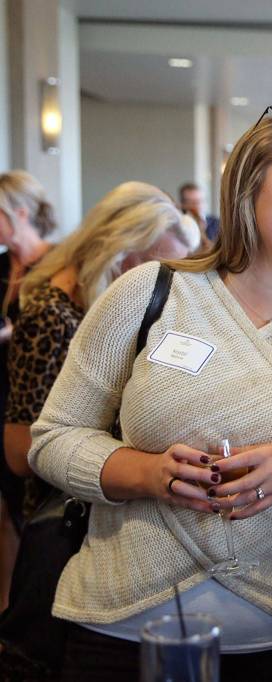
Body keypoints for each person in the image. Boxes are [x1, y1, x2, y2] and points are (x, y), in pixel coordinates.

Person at [29, 106, 272, 681]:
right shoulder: (152, 293)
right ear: (248, 188)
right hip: (123, 639)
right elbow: (50, 441)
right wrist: (146, 474)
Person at [4, 181, 199, 525]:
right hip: (63, 514)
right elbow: (20, 450)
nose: (164, 291)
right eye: (158, 272)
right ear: (121, 251)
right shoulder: (52, 315)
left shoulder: (94, 305)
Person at [0, 170, 56, 610]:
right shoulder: (3, 267)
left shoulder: (52, 265)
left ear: (18, 212)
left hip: (27, 397)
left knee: (21, 505)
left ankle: (22, 607)